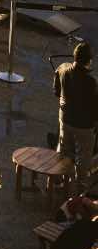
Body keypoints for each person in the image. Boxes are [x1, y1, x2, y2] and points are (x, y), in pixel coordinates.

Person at [54, 43, 98, 192]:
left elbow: (56, 91)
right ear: (88, 61)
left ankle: (58, 178)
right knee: (84, 155)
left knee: (64, 149)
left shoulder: (63, 70)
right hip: (84, 125)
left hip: (65, 119)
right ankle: (80, 184)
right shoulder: (92, 82)